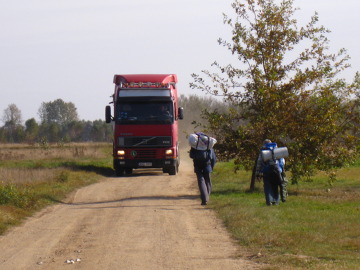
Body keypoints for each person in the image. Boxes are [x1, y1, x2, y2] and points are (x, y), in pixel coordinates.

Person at [256, 139, 287, 206]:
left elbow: (259, 162)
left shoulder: (263, 151)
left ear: (264, 144)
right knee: (275, 186)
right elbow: (282, 161)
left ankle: (269, 201)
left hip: (267, 171)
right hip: (277, 171)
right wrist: (281, 170)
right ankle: (276, 202)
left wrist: (258, 173)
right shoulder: (277, 150)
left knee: (267, 186)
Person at [189, 132, 217, 205]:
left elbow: (191, 155)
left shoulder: (195, 145)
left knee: (201, 181)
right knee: (207, 181)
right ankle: (206, 197)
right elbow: (213, 158)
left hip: (197, 164)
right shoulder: (209, 146)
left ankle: (204, 199)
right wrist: (212, 167)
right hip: (207, 165)